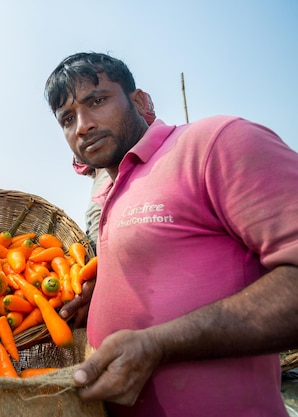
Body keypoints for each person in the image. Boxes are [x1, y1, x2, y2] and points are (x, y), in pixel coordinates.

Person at [45, 52, 298, 416]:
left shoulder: (214, 143)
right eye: (67, 119)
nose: (82, 126)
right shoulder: (110, 190)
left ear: (138, 100)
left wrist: (159, 344)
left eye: (96, 101)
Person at [72, 92, 156, 252]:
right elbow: (82, 165)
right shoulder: (90, 139)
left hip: (126, 170)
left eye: (98, 102)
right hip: (103, 185)